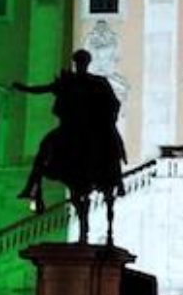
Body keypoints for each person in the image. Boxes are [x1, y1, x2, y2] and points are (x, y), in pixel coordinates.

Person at [13, 49, 127, 213]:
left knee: (113, 143)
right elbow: (43, 89)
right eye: (78, 63)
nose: (80, 65)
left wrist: (107, 117)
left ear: (86, 64)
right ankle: (32, 187)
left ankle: (117, 180)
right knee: (45, 145)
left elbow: (114, 103)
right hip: (71, 126)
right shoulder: (69, 81)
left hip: (93, 126)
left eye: (82, 62)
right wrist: (23, 88)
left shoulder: (98, 82)